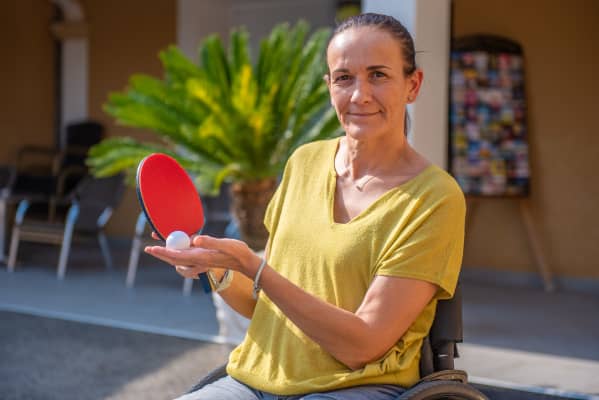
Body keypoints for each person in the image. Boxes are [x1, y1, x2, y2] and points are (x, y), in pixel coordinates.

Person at [145, 12, 466, 400]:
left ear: (412, 85)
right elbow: (263, 303)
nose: (360, 95)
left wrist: (252, 266)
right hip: (254, 380)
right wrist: (219, 267)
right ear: (329, 87)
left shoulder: (435, 197)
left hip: (357, 387)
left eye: (378, 75)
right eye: (344, 78)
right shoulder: (304, 162)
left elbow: (363, 346)